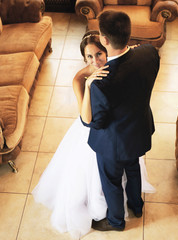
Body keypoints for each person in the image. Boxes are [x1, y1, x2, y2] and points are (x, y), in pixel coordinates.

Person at [32, 30, 156, 239]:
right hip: (100, 136)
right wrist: (89, 86)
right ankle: (120, 212)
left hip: (123, 133)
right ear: (84, 59)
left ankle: (135, 205)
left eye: (99, 54)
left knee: (131, 169)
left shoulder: (119, 67)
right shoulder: (80, 79)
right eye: (89, 56)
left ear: (106, 49)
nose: (95, 60)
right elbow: (86, 119)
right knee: (107, 178)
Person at [81, 11, 160, 232]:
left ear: (104, 41)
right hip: (139, 130)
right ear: (128, 33)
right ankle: (136, 205)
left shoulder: (101, 83)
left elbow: (94, 123)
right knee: (133, 167)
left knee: (112, 181)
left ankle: (115, 222)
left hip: (113, 144)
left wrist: (88, 87)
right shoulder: (149, 53)